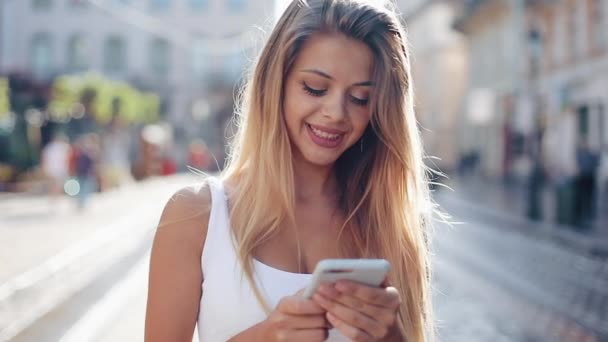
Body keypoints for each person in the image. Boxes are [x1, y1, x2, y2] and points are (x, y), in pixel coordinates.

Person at [145, 1, 435, 341]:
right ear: (275, 83)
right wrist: (266, 336)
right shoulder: (196, 215)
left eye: (359, 98)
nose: (336, 113)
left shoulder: (389, 225)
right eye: (315, 88)